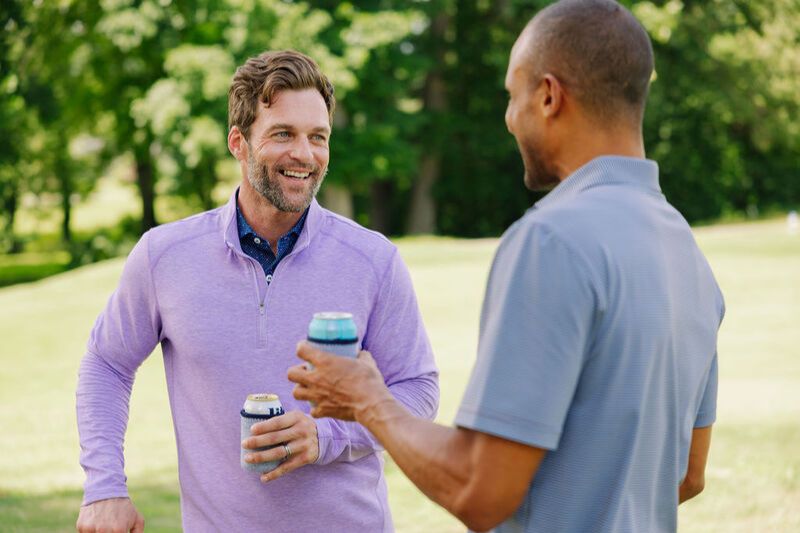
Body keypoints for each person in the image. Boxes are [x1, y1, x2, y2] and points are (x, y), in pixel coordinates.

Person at [288, 1, 724, 532]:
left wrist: (368, 399)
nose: (508, 118)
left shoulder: (551, 241)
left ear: (547, 95)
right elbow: (687, 474)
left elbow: (481, 491)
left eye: (511, 96)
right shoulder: (686, 251)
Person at [75, 50, 439, 532]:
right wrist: (105, 488)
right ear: (238, 143)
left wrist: (326, 435)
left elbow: (417, 389)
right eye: (283, 134)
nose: (304, 155)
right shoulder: (165, 256)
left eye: (318, 137)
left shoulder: (372, 260)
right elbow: (107, 362)